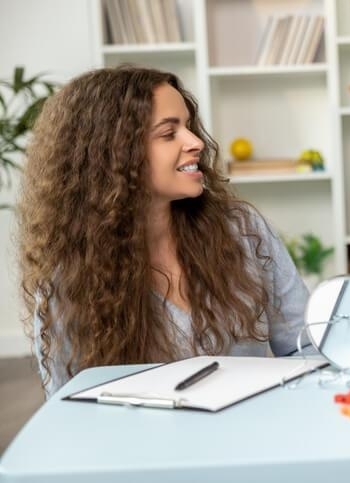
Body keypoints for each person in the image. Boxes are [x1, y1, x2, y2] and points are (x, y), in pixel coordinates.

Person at [17, 65, 312, 397]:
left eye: (188, 126)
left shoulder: (243, 231)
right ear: (114, 153)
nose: (196, 142)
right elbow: (68, 410)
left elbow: (306, 346)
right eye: (168, 133)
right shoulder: (68, 282)